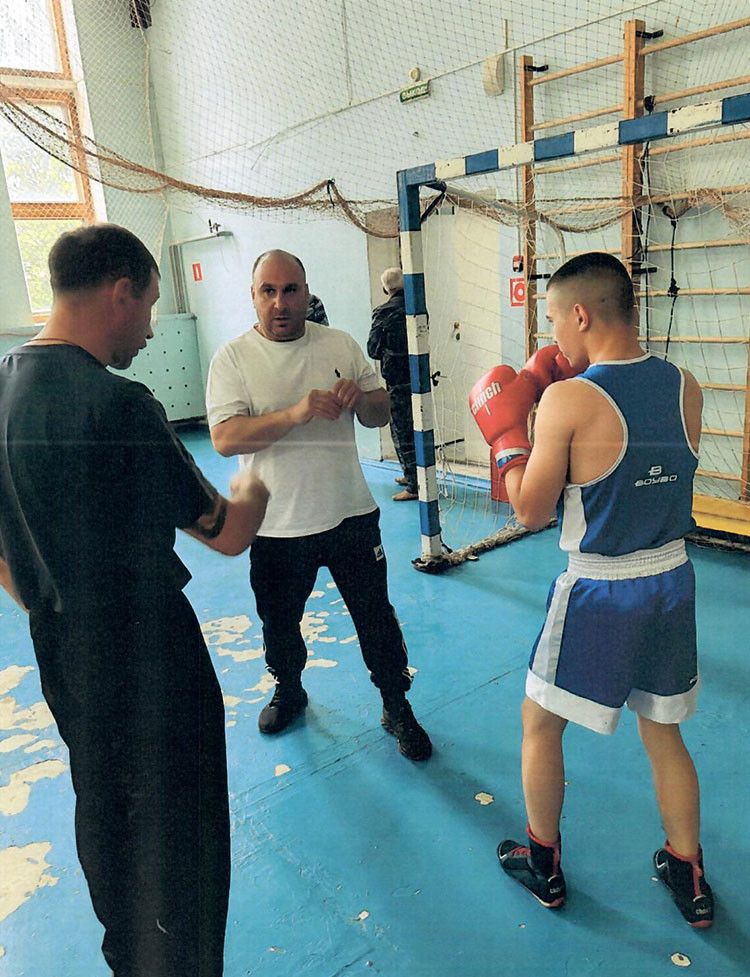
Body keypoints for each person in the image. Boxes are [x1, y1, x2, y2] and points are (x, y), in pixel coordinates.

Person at [0, 224, 270, 977]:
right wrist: (253, 485)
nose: (151, 328)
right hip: (150, 657)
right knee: (181, 837)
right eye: (149, 305)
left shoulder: (3, 382)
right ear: (120, 293)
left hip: (64, 652)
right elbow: (226, 533)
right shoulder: (117, 405)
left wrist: (50, 595)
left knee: (107, 811)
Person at [470, 252, 714, 928]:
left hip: (602, 588)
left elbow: (528, 509)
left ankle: (542, 863)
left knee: (539, 722)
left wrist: (506, 436)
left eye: (553, 320)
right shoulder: (686, 384)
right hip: (672, 578)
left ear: (580, 314)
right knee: (664, 732)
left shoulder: (568, 399)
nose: (553, 337)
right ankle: (689, 874)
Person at [206, 249, 431, 761]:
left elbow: (379, 413)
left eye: (290, 290)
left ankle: (396, 704)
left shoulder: (340, 343)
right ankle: (289, 689)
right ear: (253, 296)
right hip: (276, 525)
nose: (280, 302)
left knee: (376, 617)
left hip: (350, 513)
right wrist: (295, 412)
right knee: (279, 622)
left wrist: (361, 399)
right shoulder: (234, 358)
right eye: (269, 291)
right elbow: (225, 438)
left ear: (306, 293)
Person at [367, 266, 418, 501]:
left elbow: (373, 349)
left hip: (397, 380)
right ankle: (418, 475)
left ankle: (414, 485)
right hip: (418, 377)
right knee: (420, 428)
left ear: (385, 288)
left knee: (402, 430)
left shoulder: (383, 312)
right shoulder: (417, 308)